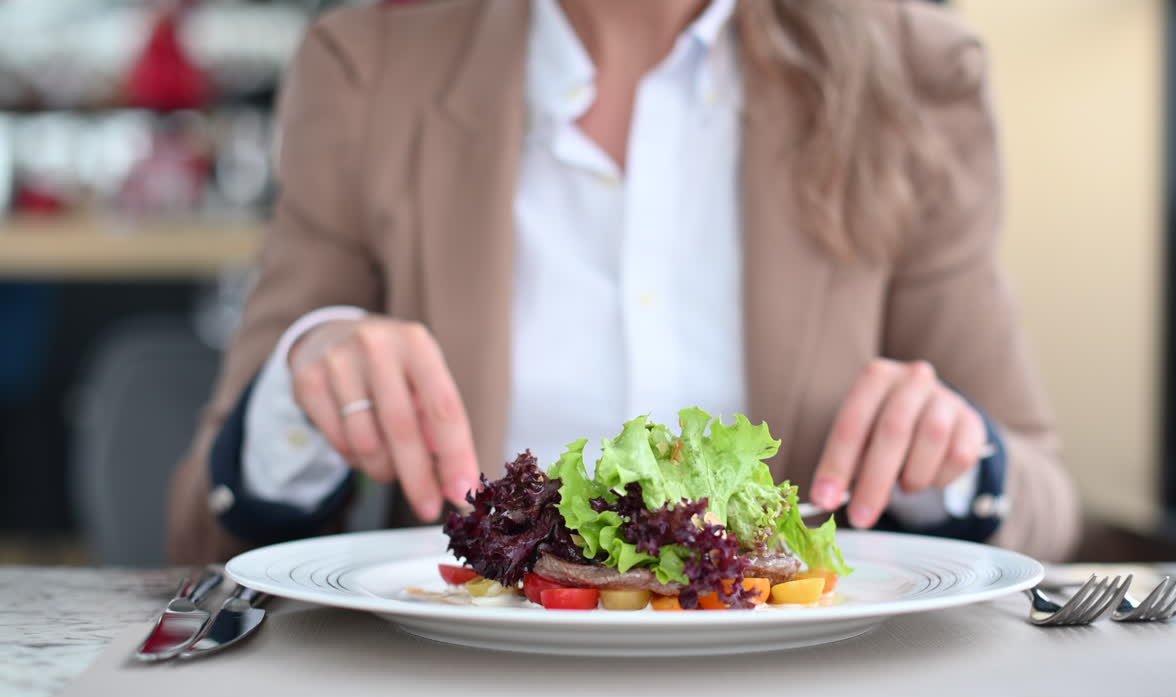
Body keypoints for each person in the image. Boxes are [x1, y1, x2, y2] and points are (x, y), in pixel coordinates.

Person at [167, 0, 1081, 564]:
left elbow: (1045, 504)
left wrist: (950, 463)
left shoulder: (918, 71)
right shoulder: (366, 72)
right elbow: (199, 535)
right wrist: (306, 380)